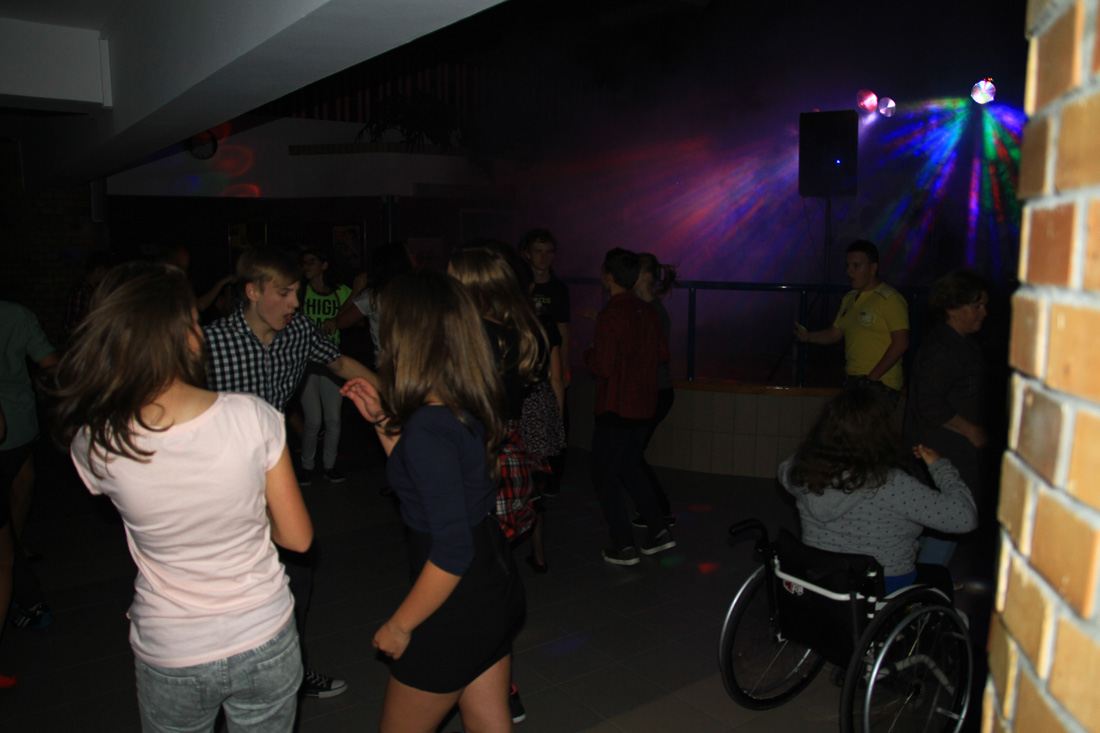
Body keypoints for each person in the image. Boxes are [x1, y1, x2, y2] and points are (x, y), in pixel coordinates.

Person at [54, 262, 313, 731]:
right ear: (186, 337)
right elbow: (297, 538)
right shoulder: (253, 416)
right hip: (262, 631)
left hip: (172, 645)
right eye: (194, 321)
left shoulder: (96, 441)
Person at [341, 269, 524, 733]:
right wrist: (382, 422)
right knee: (488, 723)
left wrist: (400, 626)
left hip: (453, 607)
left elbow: (451, 551)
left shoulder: (428, 429)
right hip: (492, 587)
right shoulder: (462, 405)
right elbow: (429, 484)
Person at [203, 245, 377, 699]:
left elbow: (341, 364)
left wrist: (402, 400)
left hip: (274, 474)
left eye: (297, 291)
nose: (295, 303)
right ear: (252, 292)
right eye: (284, 293)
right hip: (221, 481)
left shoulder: (297, 330)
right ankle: (227, 676)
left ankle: (290, 671)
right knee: (232, 583)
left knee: (296, 575)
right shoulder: (210, 342)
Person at [779, 388, 977, 594]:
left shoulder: (803, 473)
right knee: (939, 576)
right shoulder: (892, 484)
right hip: (883, 585)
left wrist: (816, 451)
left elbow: (786, 466)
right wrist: (940, 467)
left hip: (821, 580)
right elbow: (964, 518)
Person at [584, 248, 672, 566]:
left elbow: (604, 367)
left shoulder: (611, 313)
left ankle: (623, 544)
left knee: (604, 475)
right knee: (631, 466)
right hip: (643, 404)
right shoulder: (646, 311)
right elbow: (662, 355)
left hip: (616, 407)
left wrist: (589, 352)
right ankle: (658, 530)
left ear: (608, 277)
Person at [902, 270, 991, 568]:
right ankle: (927, 581)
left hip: (951, 448)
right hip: (941, 448)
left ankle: (924, 574)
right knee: (951, 518)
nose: (984, 313)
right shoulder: (941, 348)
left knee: (940, 521)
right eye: (976, 306)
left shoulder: (962, 343)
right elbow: (929, 402)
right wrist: (972, 430)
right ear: (952, 309)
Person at [794, 240, 909, 405]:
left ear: (873, 268)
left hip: (881, 383)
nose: (849, 271)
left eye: (856, 265)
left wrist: (872, 379)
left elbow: (901, 343)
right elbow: (834, 333)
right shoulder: (849, 298)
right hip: (853, 379)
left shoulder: (890, 299)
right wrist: (808, 337)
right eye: (847, 265)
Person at [0, 299, 57, 632]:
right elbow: (49, 362)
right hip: (22, 423)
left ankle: (31, 600)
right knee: (23, 482)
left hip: (9, 430)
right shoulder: (16, 314)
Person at [518, 229, 571, 497]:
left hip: (551, 363)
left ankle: (552, 478)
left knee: (559, 418)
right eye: (539, 251)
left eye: (549, 251)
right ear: (527, 254)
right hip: (526, 366)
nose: (544, 257)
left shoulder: (558, 289)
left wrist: (565, 367)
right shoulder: (519, 286)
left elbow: (563, 331)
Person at [298, 249, 353, 484]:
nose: (306, 266)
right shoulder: (301, 292)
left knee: (333, 419)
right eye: (304, 262)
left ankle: (329, 466)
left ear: (324, 265)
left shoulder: (339, 291)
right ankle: (307, 466)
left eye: (312, 261)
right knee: (313, 420)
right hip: (308, 362)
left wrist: (338, 320)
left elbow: (356, 305)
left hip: (332, 361)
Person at [630, 253, 677, 528]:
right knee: (632, 454)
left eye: (634, 270)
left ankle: (660, 511)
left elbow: (649, 355)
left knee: (632, 454)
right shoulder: (643, 308)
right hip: (654, 391)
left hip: (656, 392)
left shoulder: (652, 311)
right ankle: (656, 509)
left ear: (646, 276)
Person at [330, 241, 414, 369]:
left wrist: (356, 290)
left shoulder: (373, 296)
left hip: (388, 364)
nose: (414, 256)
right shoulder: (416, 290)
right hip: (414, 360)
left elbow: (341, 322)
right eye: (409, 253)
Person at [63, 250, 119, 337]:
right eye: (109, 272)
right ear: (99, 270)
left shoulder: (91, 290)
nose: (109, 277)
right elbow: (72, 326)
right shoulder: (81, 292)